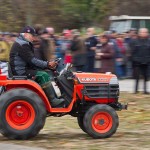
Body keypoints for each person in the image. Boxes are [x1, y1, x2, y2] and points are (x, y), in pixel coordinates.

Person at [9, 26, 65, 107]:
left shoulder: (23, 43)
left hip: (23, 68)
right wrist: (47, 64)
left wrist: (46, 65)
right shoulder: (22, 45)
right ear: (26, 34)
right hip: (21, 72)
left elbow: (32, 60)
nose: (34, 38)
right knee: (43, 75)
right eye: (32, 35)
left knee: (47, 72)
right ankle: (52, 100)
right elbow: (32, 60)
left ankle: (54, 96)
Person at [130, 28, 150, 94]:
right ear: (139, 33)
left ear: (147, 33)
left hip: (146, 62)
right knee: (137, 77)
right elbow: (132, 52)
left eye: (145, 32)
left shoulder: (148, 41)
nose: (143, 33)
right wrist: (134, 60)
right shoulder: (135, 41)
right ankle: (135, 90)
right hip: (137, 62)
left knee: (145, 77)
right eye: (142, 32)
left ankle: (145, 90)